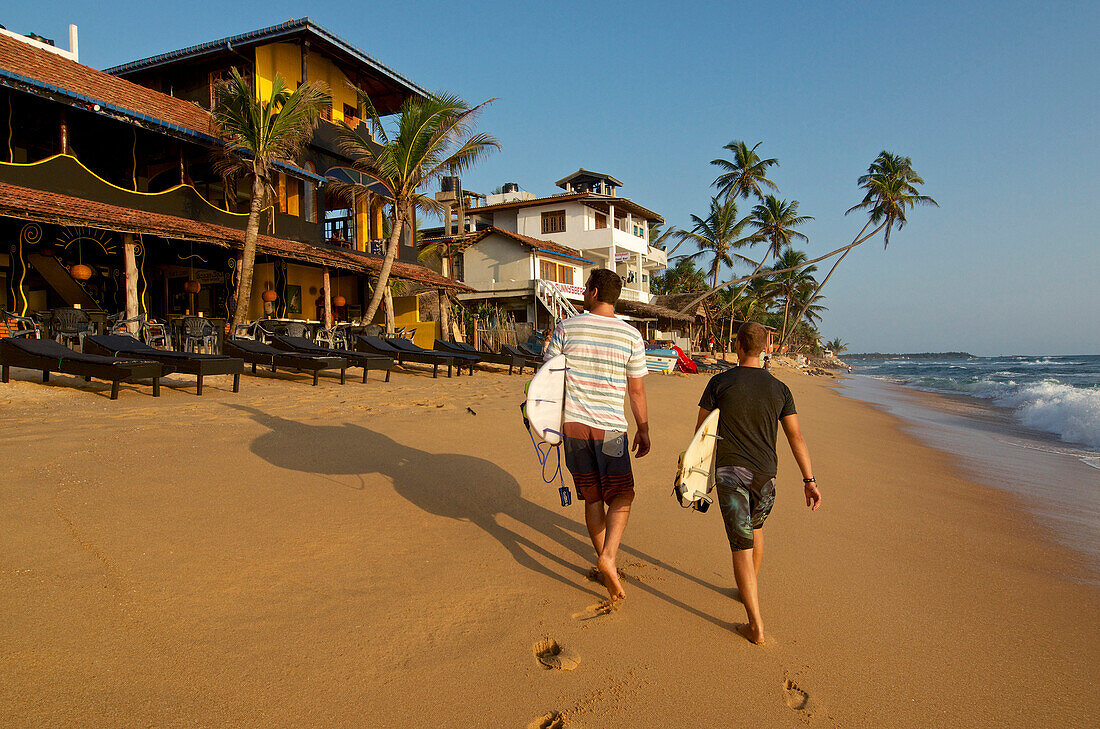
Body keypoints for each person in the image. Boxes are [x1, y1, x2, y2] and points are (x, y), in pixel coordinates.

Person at [696, 321, 820, 644]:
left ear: (738, 345)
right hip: (767, 479)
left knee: (740, 545)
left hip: (731, 475)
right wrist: (810, 480)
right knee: (757, 529)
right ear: (766, 348)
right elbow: (797, 436)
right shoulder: (780, 389)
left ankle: (755, 625)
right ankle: (746, 589)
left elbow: (702, 434)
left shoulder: (719, 383)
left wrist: (695, 478)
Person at [544, 268, 650, 601]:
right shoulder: (630, 336)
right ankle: (608, 557)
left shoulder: (566, 328)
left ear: (591, 292)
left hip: (573, 426)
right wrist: (643, 428)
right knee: (622, 495)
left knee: (592, 498)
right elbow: (636, 391)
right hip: (612, 430)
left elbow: (548, 379)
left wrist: (547, 423)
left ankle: (603, 556)